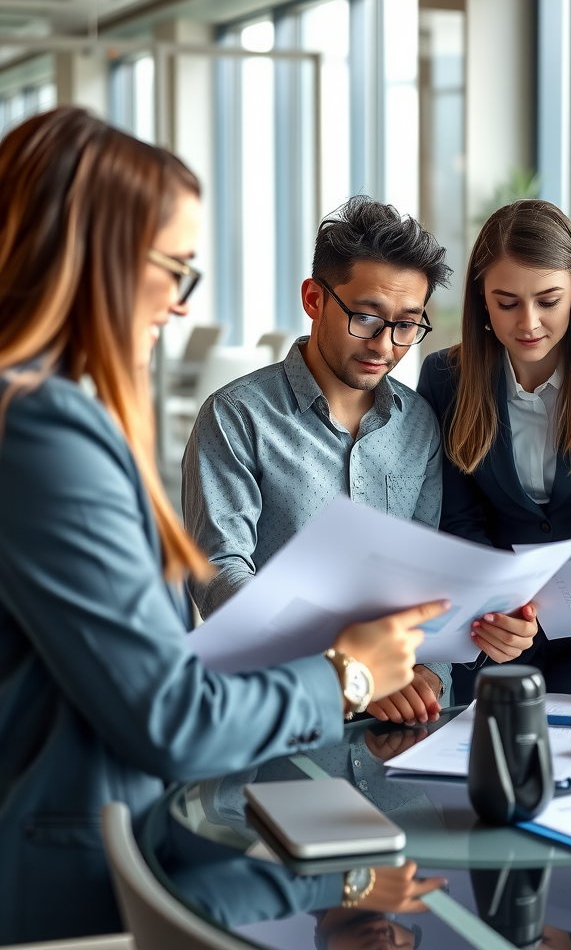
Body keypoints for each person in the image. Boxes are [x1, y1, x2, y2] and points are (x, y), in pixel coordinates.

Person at [0, 108, 446, 943]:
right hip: (73, 875)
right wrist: (347, 674)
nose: (178, 303)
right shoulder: (40, 426)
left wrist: (338, 876)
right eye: (173, 267)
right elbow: (168, 712)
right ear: (92, 256)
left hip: (153, 827)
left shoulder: (57, 411)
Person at [184, 197, 466, 726]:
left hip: (399, 722)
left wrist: (429, 672)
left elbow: (426, 574)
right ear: (314, 299)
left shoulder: (420, 423)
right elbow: (219, 576)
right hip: (276, 710)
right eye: (366, 317)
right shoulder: (236, 416)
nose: (385, 344)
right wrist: (347, 671)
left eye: (408, 325)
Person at [418, 200, 571, 699]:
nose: (528, 323)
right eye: (507, 302)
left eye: (548, 300)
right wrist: (495, 609)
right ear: (482, 301)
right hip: (493, 636)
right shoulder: (444, 377)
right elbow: (458, 519)